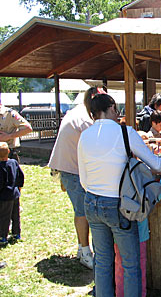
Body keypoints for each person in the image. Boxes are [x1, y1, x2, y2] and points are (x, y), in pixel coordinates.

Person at [78, 91, 161, 297]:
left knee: (103, 263)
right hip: (119, 204)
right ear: (112, 108)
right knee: (131, 265)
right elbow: (156, 164)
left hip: (92, 202)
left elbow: (83, 178)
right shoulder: (125, 132)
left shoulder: (85, 135)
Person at [48, 87, 96, 269]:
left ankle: (81, 247)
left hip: (70, 167)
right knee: (83, 211)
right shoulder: (86, 119)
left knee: (82, 210)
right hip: (73, 169)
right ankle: (85, 251)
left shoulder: (79, 112)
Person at [114, 172, 161, 297]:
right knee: (138, 270)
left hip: (118, 233)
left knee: (120, 268)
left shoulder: (116, 181)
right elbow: (159, 191)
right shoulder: (138, 180)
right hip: (139, 236)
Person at [0, 142, 24, 245]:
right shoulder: (14, 162)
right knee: (15, 215)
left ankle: (3, 236)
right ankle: (16, 233)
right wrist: (19, 187)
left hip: (4, 196)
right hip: (15, 193)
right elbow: (20, 176)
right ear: (8, 152)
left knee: (4, 216)